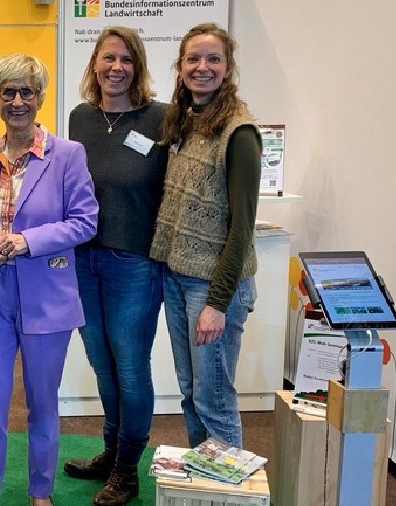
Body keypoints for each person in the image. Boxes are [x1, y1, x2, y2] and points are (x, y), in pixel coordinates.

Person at [0, 54, 98, 506]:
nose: (17, 101)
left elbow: (85, 221)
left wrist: (25, 240)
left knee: (41, 402)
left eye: (27, 92)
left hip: (46, 296)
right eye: (7, 92)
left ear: (40, 97)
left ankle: (41, 493)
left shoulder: (68, 155)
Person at [62, 27, 168, 506]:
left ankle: (128, 471)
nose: (116, 67)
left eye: (126, 59)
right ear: (95, 63)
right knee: (102, 366)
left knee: (130, 368)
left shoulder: (161, 118)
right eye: (109, 58)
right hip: (84, 259)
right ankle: (111, 452)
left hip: (134, 265)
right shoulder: (81, 117)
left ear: (138, 66)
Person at [150, 22, 260, 449]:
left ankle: (225, 487)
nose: (202, 67)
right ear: (180, 67)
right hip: (178, 278)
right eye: (193, 58)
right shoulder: (184, 122)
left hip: (214, 289)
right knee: (192, 393)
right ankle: (203, 483)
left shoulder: (239, 132)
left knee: (214, 399)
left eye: (213, 58)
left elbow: (241, 229)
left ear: (227, 67)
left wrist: (217, 303)